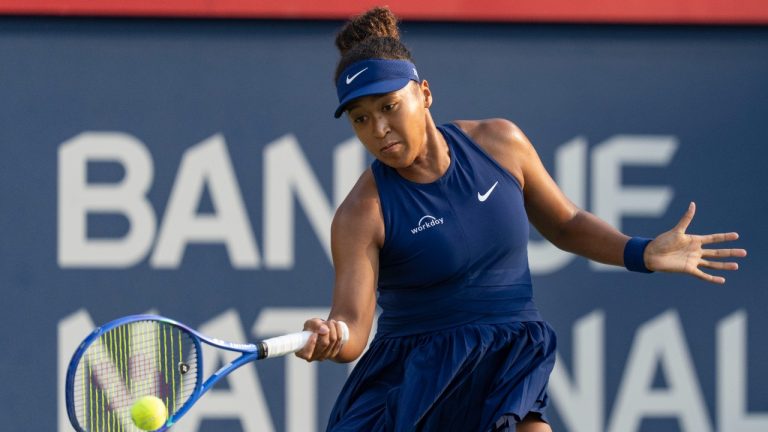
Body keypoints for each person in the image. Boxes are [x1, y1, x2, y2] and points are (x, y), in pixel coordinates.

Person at [295, 6, 746, 432]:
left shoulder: (500, 143)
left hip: (508, 359)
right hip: (414, 384)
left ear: (425, 94)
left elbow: (565, 224)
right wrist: (333, 335)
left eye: (389, 107)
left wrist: (641, 252)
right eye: (360, 119)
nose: (378, 130)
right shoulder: (361, 213)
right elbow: (353, 325)